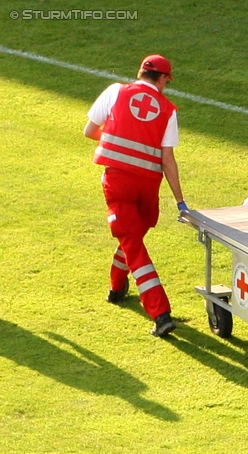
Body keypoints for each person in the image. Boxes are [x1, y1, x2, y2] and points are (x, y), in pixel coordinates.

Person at [83, 54, 187, 338]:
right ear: (163, 78)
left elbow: (90, 130)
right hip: (148, 187)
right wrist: (180, 201)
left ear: (141, 72)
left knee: (132, 242)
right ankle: (121, 288)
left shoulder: (116, 91)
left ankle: (160, 313)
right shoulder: (168, 110)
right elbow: (168, 161)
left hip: (118, 182)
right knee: (133, 238)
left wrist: (115, 138)